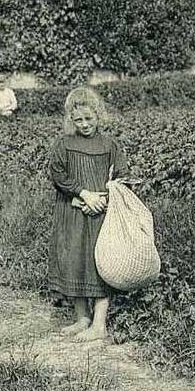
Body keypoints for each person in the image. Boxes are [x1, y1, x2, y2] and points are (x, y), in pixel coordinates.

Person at [47, 87, 128, 343]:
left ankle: (99, 324)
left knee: (99, 263)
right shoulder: (64, 144)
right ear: (71, 120)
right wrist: (83, 194)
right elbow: (58, 175)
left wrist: (103, 197)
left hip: (100, 214)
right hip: (72, 211)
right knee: (73, 260)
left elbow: (122, 176)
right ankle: (81, 318)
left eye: (89, 119)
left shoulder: (109, 144)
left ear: (98, 115)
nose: (84, 125)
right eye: (78, 120)